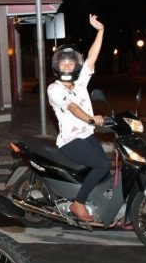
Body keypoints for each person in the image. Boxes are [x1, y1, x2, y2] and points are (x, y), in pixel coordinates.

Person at [47, 14, 110, 223]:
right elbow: (73, 108)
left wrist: (100, 31)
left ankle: (108, 210)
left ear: (75, 66)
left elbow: (92, 57)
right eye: (62, 63)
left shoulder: (81, 82)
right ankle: (78, 203)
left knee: (106, 171)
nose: (66, 67)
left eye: (70, 63)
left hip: (88, 135)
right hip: (70, 141)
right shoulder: (53, 89)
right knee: (102, 166)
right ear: (57, 65)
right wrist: (92, 119)